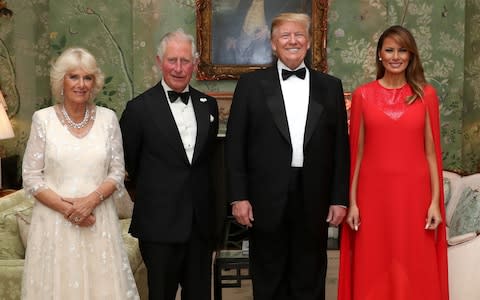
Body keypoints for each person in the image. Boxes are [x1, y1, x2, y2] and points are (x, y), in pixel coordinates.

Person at [225, 13, 350, 300]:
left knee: (311, 276)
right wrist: (238, 196)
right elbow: (235, 146)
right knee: (269, 277)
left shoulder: (330, 87)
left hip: (314, 196)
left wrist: (339, 197)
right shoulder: (250, 86)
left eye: (299, 35)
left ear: (308, 44)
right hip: (264, 198)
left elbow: (340, 148)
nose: (292, 41)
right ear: (272, 43)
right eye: (285, 35)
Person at [337, 25, 449, 300]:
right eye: (389, 50)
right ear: (379, 55)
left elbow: (432, 153)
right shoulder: (363, 95)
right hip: (373, 196)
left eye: (402, 50)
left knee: (414, 261)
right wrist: (352, 202)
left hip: (415, 196)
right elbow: (357, 154)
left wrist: (435, 202)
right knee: (374, 261)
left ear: (411, 56)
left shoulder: (426, 94)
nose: (395, 56)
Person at [21, 47, 139, 299]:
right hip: (54, 224)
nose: (81, 84)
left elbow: (117, 172)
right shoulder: (43, 120)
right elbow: (31, 176)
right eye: (73, 76)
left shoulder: (108, 119)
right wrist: (71, 211)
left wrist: (90, 202)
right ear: (61, 81)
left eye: (87, 78)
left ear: (94, 83)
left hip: (99, 222)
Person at [120, 29, 219, 300]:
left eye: (185, 61)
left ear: (195, 64)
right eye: (172, 60)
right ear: (159, 61)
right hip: (159, 225)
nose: (178, 68)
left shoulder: (208, 106)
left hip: (200, 225)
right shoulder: (138, 109)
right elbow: (130, 165)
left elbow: (207, 163)